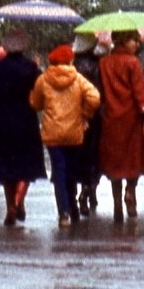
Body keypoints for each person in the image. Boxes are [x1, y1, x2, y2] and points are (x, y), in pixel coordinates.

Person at [0, 33, 45, 225]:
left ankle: (11, 204)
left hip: (2, 125)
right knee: (26, 168)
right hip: (26, 123)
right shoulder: (30, 68)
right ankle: (17, 202)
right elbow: (41, 93)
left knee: (6, 168)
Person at [29, 44, 100, 227]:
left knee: (59, 171)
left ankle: (64, 212)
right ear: (71, 60)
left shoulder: (44, 80)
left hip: (53, 133)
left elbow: (35, 104)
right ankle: (74, 206)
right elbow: (95, 97)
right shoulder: (78, 79)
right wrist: (84, 114)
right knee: (71, 170)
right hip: (74, 132)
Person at [98, 29, 144, 222]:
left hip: (111, 119)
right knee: (133, 160)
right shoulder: (133, 63)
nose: (136, 44)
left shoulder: (103, 63)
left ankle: (117, 203)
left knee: (115, 164)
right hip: (132, 119)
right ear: (122, 40)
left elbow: (101, 91)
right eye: (132, 40)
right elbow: (140, 94)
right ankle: (131, 192)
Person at [72, 31, 103, 216]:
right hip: (93, 117)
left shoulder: (71, 66)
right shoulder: (97, 66)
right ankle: (88, 189)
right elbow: (99, 94)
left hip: (73, 117)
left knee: (77, 155)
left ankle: (77, 192)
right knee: (93, 156)